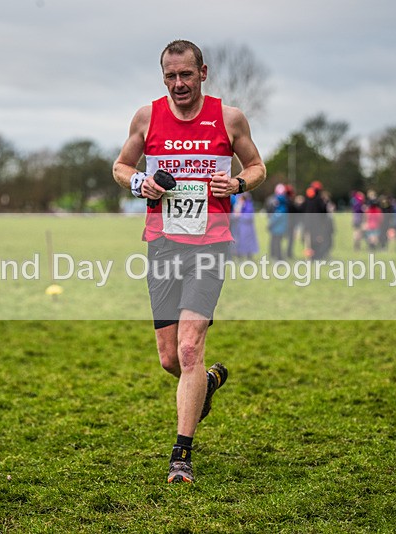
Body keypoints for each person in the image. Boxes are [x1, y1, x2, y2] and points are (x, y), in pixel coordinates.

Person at [112, 40, 266, 484]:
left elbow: (257, 166)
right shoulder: (147, 117)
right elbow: (121, 166)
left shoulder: (229, 118)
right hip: (162, 244)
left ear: (203, 72)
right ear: (163, 77)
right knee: (169, 358)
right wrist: (140, 182)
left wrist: (236, 183)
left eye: (186, 74)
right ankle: (207, 384)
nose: (178, 83)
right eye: (170, 76)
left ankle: (181, 455)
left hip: (209, 244)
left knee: (190, 348)